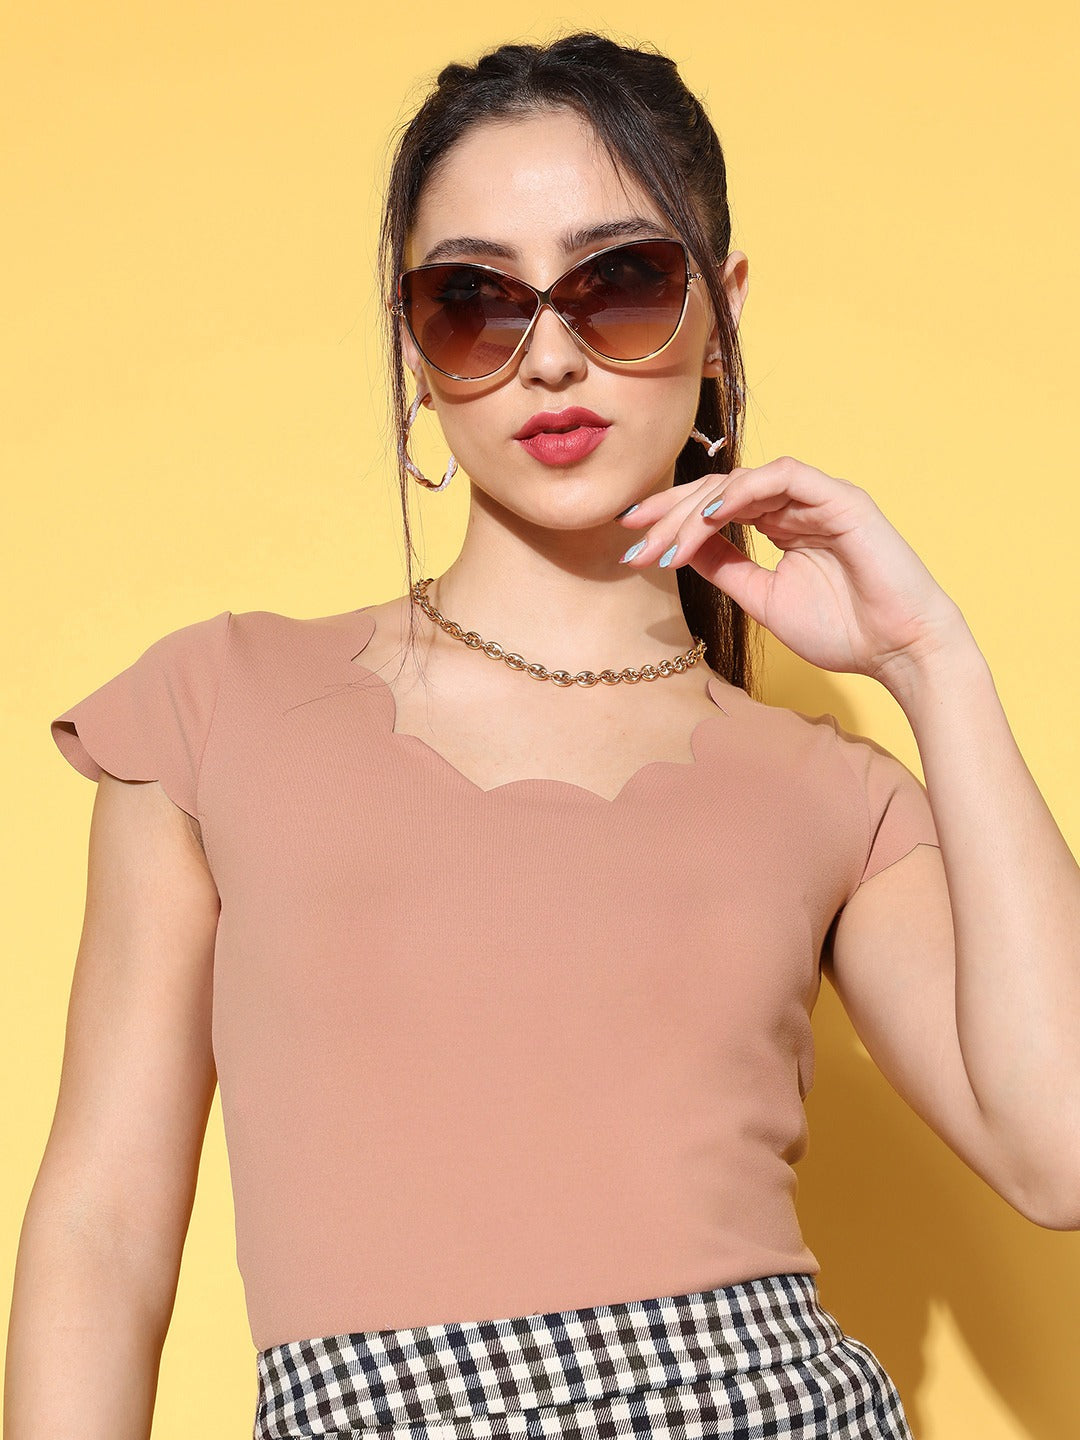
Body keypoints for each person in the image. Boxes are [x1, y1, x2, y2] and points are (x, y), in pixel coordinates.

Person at [9, 29, 1079, 1440]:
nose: (553, 359)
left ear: (719, 313)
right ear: (415, 346)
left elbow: (1063, 1155)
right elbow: (100, 1233)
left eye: (619, 284)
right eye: (476, 301)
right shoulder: (219, 706)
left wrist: (930, 661)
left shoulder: (835, 793)